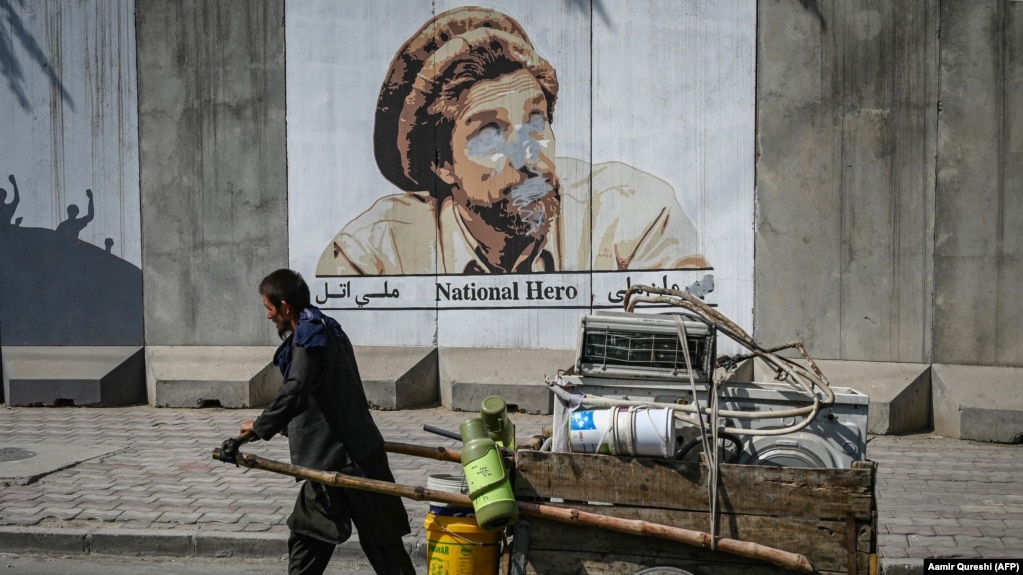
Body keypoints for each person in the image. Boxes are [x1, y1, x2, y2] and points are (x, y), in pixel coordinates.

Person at [316, 6, 710, 276]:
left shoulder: (634, 214)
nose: (528, 156)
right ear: (441, 163)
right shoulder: (377, 253)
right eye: (490, 133)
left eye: (536, 120)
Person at [239, 269, 415, 575]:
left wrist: (260, 426)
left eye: (269, 309)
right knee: (374, 546)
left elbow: (297, 389)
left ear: (285, 306)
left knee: (358, 545)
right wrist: (284, 424)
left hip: (339, 457)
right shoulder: (324, 327)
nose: (268, 317)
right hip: (358, 451)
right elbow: (324, 392)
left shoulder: (309, 338)